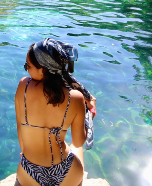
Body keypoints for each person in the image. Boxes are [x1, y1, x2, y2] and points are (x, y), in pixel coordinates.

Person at [15, 38, 97, 186]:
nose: (26, 68)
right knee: (74, 149)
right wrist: (90, 113)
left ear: (43, 70)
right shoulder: (75, 97)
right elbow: (78, 142)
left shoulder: (23, 86)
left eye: (28, 65)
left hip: (29, 172)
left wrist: (26, 155)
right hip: (66, 173)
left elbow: (20, 131)